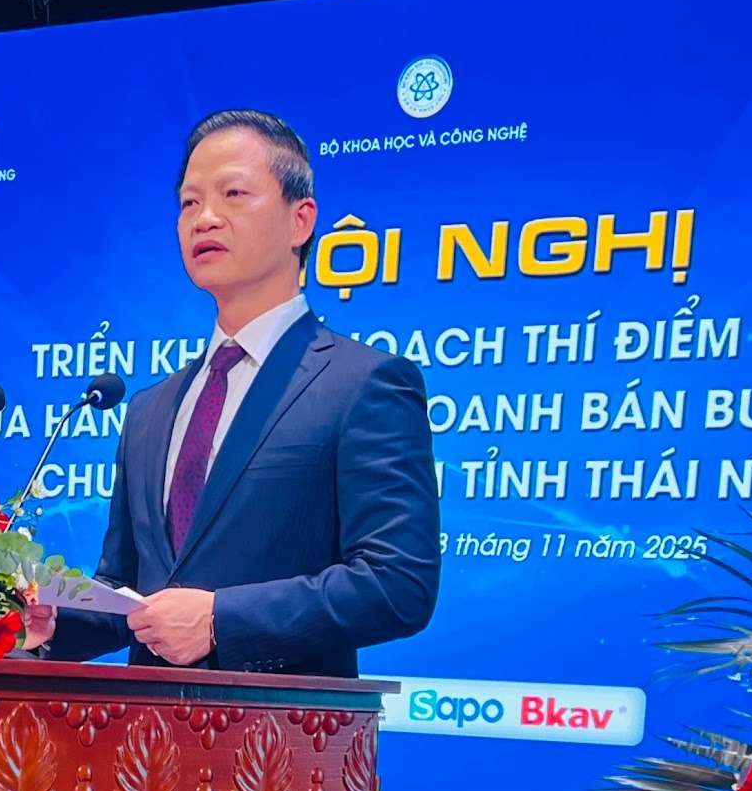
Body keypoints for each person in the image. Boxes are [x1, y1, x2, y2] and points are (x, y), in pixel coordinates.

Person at [24, 109, 440, 677]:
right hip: (140, 728)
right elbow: (131, 591)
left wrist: (222, 619)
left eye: (233, 194)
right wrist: (54, 622)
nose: (205, 219)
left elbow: (398, 583)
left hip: (281, 727)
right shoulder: (149, 409)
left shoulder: (362, 383)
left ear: (300, 221)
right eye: (189, 203)